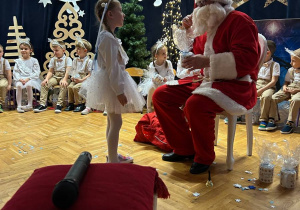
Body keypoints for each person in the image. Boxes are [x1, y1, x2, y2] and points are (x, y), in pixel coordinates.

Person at [152, 0, 260, 174]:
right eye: (198, 1)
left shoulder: (240, 20)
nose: (199, 3)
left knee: (196, 104)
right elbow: (195, 50)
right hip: (206, 79)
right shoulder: (207, 25)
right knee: (161, 95)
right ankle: (184, 147)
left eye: (203, 0)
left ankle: (204, 156)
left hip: (235, 84)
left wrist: (207, 61)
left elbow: (247, 60)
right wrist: (187, 31)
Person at [83, 0, 145, 163]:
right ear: (110, 14)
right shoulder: (108, 38)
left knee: (113, 121)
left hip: (110, 83)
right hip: (112, 85)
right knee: (116, 122)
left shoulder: (108, 36)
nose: (123, 14)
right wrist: (119, 91)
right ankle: (112, 159)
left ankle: (112, 154)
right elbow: (112, 67)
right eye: (120, 10)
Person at [34, 39, 72, 113]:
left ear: (63, 50)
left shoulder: (68, 59)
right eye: (54, 51)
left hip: (64, 76)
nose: (55, 52)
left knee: (63, 84)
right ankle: (42, 104)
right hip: (55, 76)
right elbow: (51, 71)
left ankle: (59, 104)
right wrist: (47, 79)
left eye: (57, 50)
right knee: (45, 84)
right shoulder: (53, 59)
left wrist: (64, 79)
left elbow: (68, 71)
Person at [267, 48, 300, 134]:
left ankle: (290, 122)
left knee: (296, 100)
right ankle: (272, 119)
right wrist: (285, 87)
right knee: (274, 97)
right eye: (291, 60)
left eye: (293, 61)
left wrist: (297, 90)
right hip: (290, 87)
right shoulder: (291, 70)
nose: (290, 63)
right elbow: (286, 82)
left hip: (298, 90)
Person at [138, 40, 175, 113]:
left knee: (164, 89)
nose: (166, 55)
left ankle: (163, 107)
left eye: (166, 53)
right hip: (155, 82)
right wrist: (155, 78)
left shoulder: (168, 63)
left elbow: (171, 75)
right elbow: (152, 75)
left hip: (165, 82)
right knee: (151, 87)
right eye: (163, 53)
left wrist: (166, 78)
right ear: (156, 56)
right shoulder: (152, 64)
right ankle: (149, 107)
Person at [257, 40, 280, 131]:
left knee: (266, 96)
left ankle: (263, 119)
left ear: (267, 52)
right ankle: (238, 115)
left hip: (268, 86)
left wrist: (261, 90)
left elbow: (274, 81)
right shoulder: (258, 63)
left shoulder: (275, 65)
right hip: (257, 83)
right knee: (243, 91)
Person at [64, 37, 92, 112]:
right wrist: (73, 77)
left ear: (85, 50)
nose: (76, 50)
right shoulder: (75, 60)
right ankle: (71, 103)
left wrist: (81, 80)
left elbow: (90, 74)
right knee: (70, 87)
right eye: (76, 48)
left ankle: (80, 104)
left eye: (79, 49)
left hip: (85, 79)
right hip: (76, 77)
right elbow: (72, 70)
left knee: (76, 88)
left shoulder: (89, 61)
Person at [13, 38, 41, 113]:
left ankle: (29, 105)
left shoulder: (34, 60)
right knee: (18, 86)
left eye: (26, 49)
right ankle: (19, 106)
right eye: (22, 49)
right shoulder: (18, 61)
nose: (23, 50)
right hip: (21, 78)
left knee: (29, 85)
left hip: (30, 78)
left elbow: (36, 72)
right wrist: (20, 79)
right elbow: (16, 72)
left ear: (30, 50)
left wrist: (28, 78)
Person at [0, 44, 12, 113]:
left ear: (2, 53)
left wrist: (9, 84)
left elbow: (9, 74)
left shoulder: (5, 61)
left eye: (0, 51)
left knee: (2, 85)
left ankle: (1, 103)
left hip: (2, 77)